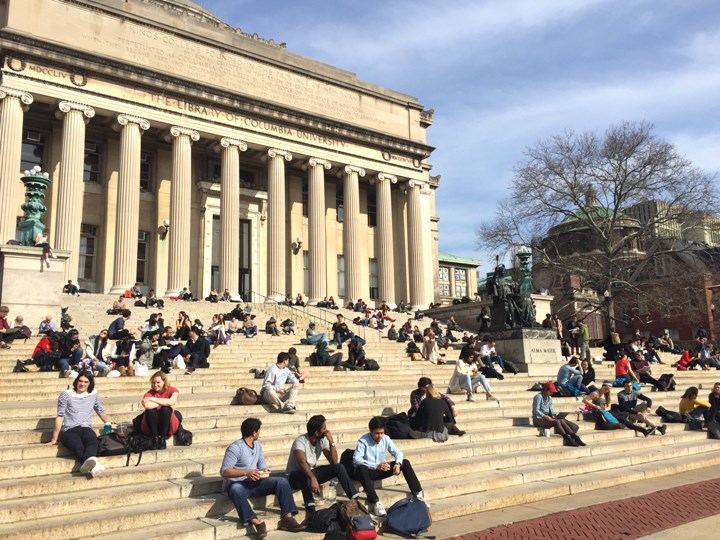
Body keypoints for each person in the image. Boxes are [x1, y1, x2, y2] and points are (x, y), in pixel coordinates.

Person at [220, 418, 305, 537]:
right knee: (235, 489)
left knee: (282, 482)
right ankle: (258, 523)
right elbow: (225, 471)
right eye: (259, 431)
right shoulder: (235, 448)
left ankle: (288, 518)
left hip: (256, 481)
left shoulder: (257, 445)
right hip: (239, 484)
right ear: (254, 433)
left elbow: (262, 464)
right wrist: (246, 472)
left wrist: (265, 471)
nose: (259, 433)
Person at [352, 416, 425, 517]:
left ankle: (417, 494)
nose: (380, 436)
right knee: (361, 468)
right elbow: (357, 459)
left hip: (382, 469)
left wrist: (397, 464)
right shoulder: (363, 441)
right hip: (368, 471)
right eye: (377, 433)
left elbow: (398, 452)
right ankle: (376, 501)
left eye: (381, 433)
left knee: (405, 462)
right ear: (371, 432)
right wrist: (375, 466)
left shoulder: (386, 439)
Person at [286, 415, 360, 515]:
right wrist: (313, 478)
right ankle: (311, 510)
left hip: (311, 472)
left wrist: (331, 442)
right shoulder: (300, 441)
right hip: (295, 476)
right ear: (316, 432)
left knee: (339, 467)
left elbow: (334, 462)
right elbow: (302, 462)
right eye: (324, 428)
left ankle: (355, 498)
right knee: (306, 475)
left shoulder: (322, 439)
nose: (326, 431)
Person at [46, 373, 113, 477]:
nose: (82, 384)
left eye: (86, 382)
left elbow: (99, 409)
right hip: (69, 430)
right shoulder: (66, 395)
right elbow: (60, 416)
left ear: (90, 384)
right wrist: (54, 439)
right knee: (77, 445)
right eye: (80, 381)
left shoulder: (93, 394)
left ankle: (90, 465)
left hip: (85, 428)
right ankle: (94, 466)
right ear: (76, 382)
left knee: (92, 440)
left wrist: (108, 423)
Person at [531, 382, 585, 446]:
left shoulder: (549, 398)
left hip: (547, 417)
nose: (552, 393)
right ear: (546, 390)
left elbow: (552, 410)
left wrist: (557, 415)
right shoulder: (538, 397)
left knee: (561, 419)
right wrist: (544, 416)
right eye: (550, 392)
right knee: (557, 422)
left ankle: (575, 437)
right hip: (538, 420)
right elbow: (536, 410)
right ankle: (567, 439)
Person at [140, 371, 180, 449]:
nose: (155, 385)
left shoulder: (173, 390)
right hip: (152, 424)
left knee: (166, 409)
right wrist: (165, 402)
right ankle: (155, 439)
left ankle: (162, 439)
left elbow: (171, 401)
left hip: (168, 424)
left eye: (158, 382)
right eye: (153, 382)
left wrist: (152, 399)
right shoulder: (149, 393)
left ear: (164, 381)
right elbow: (147, 406)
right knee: (150, 411)